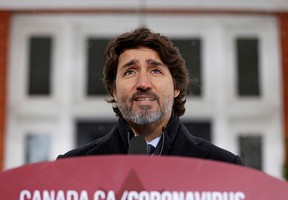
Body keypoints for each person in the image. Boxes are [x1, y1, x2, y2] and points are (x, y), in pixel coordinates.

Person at [57, 27, 244, 166]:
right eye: (130, 72)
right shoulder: (72, 166)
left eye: (155, 70)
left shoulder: (225, 167)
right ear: (114, 89)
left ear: (176, 87)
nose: (143, 83)